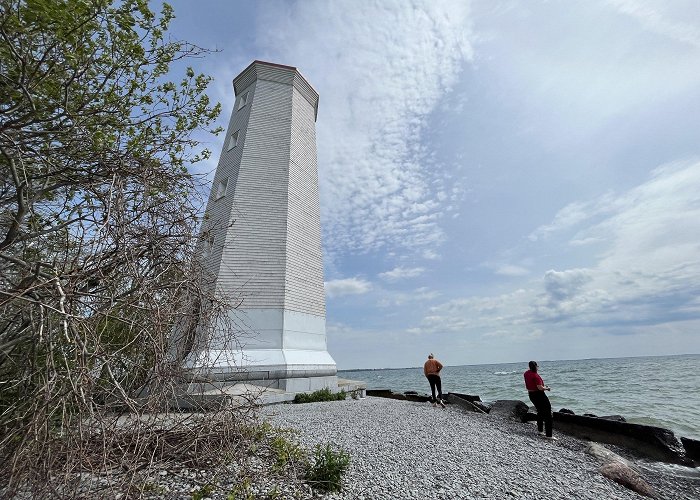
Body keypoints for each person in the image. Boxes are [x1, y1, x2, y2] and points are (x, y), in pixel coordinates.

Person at [524, 360, 556, 440]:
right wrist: (547, 388)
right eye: (537, 366)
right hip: (539, 395)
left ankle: (540, 430)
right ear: (536, 367)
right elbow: (540, 388)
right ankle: (549, 435)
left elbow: (531, 383)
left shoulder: (526, 373)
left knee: (540, 411)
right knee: (548, 413)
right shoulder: (535, 376)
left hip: (531, 395)